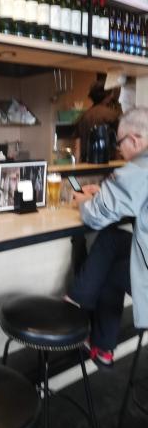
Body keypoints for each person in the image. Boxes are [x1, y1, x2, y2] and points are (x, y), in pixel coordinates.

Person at [67, 107, 148, 368]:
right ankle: (102, 347)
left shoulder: (141, 166)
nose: (120, 151)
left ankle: (75, 304)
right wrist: (103, 192)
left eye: (120, 143)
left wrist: (84, 201)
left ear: (134, 140)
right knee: (114, 255)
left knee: (111, 240)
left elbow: (95, 216)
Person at [75, 75, 122, 162]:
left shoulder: (83, 116)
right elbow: (119, 141)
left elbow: (78, 145)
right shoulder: (112, 115)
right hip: (107, 161)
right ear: (107, 96)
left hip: (86, 162)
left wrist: (77, 164)